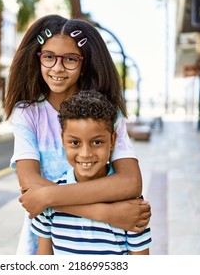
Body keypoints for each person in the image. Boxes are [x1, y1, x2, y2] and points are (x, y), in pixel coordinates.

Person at [4, 14, 151, 255]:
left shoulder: (107, 113)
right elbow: (30, 187)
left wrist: (48, 196)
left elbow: (130, 182)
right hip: (46, 241)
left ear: (84, 64)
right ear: (38, 59)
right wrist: (105, 213)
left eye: (70, 59)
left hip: (107, 241)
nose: (57, 68)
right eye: (49, 57)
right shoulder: (27, 114)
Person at [31, 90, 152, 255]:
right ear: (63, 140)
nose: (86, 153)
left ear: (113, 140)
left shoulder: (130, 204)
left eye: (97, 142)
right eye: (75, 142)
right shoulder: (50, 199)